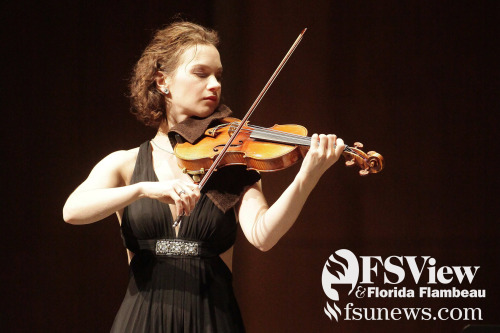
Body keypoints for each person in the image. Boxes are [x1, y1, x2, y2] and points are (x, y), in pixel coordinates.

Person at [63, 21, 344, 333]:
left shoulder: (232, 163)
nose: (215, 85)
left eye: (218, 76)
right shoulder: (125, 164)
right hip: (142, 321)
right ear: (163, 81)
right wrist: (145, 189)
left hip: (213, 319)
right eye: (201, 73)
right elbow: (73, 211)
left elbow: (263, 235)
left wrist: (307, 177)